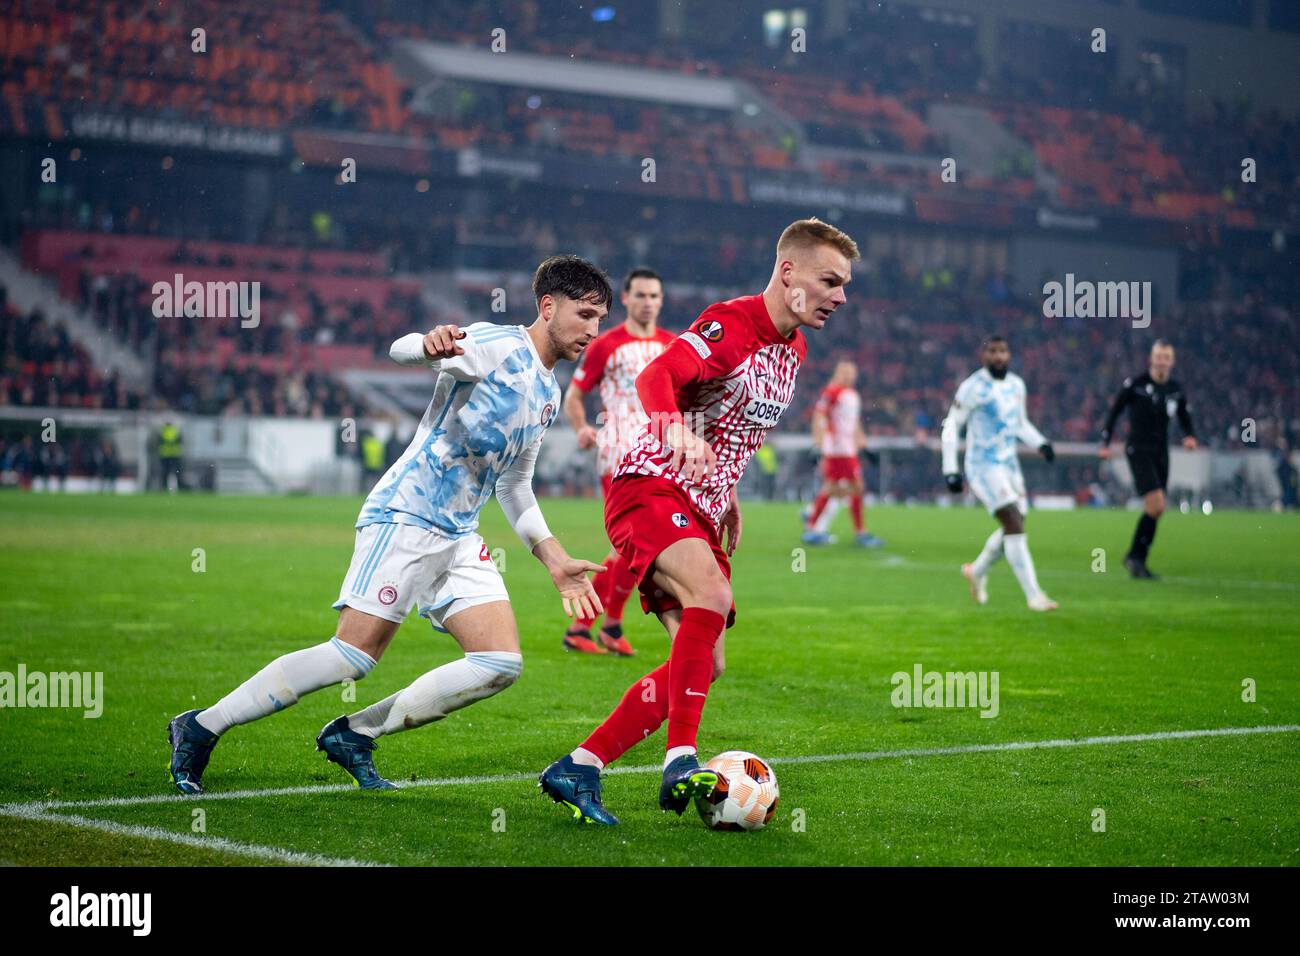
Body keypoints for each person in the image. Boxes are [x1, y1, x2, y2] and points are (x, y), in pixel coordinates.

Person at [167, 256, 611, 794]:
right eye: (585, 314)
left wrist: (555, 558)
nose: (593, 329)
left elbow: (513, 486)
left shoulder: (545, 393)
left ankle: (354, 734)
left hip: (458, 534)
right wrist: (427, 344)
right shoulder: (495, 346)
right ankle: (201, 726)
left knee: (498, 662)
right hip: (406, 515)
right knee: (352, 657)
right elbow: (402, 349)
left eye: (599, 318)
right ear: (548, 306)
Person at [538, 217, 860, 825]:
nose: (840, 296)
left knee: (704, 662)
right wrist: (669, 427)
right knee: (712, 592)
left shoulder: (795, 348)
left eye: (843, 285)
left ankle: (581, 765)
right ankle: (680, 760)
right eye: (830, 281)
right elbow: (656, 376)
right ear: (788, 273)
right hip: (651, 485)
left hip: (702, 505)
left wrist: (726, 491)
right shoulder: (730, 323)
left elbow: (734, 427)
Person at [560, 267, 676, 656]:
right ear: (625, 299)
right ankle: (600, 626)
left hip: (661, 456)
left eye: (654, 296)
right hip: (619, 453)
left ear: (661, 301)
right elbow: (574, 397)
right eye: (640, 295)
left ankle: (592, 628)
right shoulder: (606, 344)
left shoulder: (673, 345)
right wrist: (580, 429)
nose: (648, 303)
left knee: (634, 549)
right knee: (635, 545)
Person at [941, 335, 1059, 612]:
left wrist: (1040, 442)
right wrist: (950, 469)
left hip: (1009, 466)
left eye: (1002, 351)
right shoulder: (972, 387)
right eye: (993, 351)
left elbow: (1019, 423)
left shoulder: (1017, 385)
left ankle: (977, 570)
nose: (998, 356)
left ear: (1009, 355)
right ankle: (1034, 596)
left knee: (1014, 525)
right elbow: (952, 425)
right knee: (1014, 523)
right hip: (983, 466)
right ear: (984, 356)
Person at [1098, 340, 1198, 578]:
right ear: (1151, 359)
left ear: (1171, 361)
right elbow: (1114, 412)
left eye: (1166, 357)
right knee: (1157, 505)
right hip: (1138, 450)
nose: (1162, 361)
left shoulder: (1175, 389)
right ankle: (1135, 557)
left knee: (1156, 510)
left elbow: (1184, 416)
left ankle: (1136, 559)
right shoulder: (1136, 385)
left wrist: (1189, 436)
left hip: (1161, 452)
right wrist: (1105, 441)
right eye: (1159, 356)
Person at [802, 360, 884, 547]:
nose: (849, 375)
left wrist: (864, 446)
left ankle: (812, 521)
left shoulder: (852, 395)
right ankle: (859, 532)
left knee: (834, 488)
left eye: (851, 372)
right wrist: (818, 444)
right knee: (855, 487)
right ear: (838, 373)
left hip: (848, 449)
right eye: (845, 372)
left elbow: (854, 424)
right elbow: (819, 416)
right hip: (838, 449)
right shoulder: (832, 392)